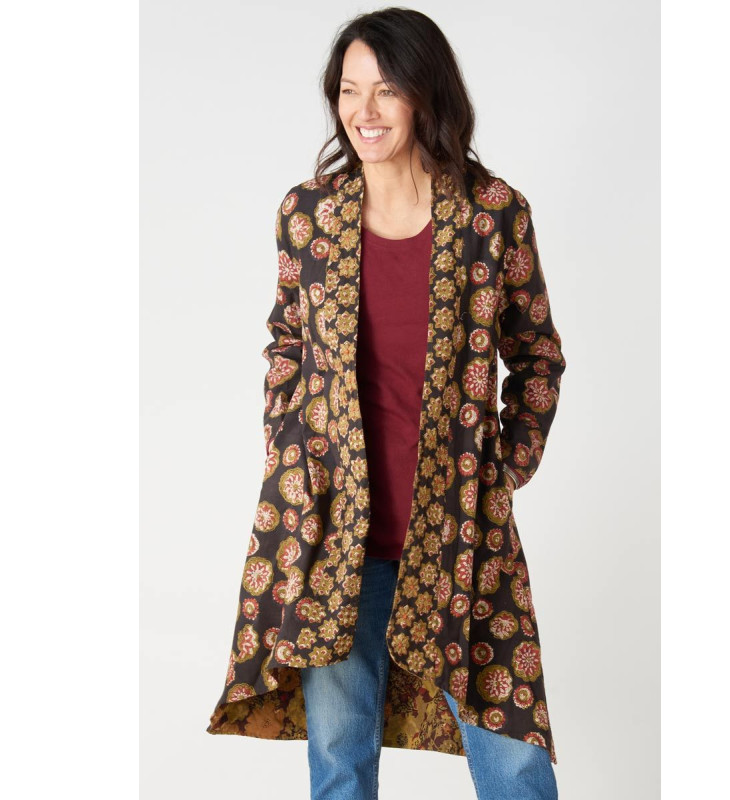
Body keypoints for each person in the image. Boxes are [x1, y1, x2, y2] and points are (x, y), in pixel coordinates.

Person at [206, 8, 566, 800]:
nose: (363, 111)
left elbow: (537, 354)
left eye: (386, 89)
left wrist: (503, 468)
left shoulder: (492, 213)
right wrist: (289, 454)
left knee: (514, 763)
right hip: (332, 532)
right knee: (339, 758)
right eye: (349, 90)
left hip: (462, 529)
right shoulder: (309, 215)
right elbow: (287, 343)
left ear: (426, 94)